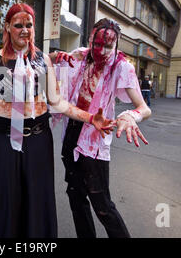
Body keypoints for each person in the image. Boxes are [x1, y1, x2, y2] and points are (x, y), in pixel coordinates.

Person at [0, 3, 114, 238]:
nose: (24, 30)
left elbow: (57, 103)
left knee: (37, 197)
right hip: (4, 141)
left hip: (39, 140)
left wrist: (90, 118)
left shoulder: (43, 60)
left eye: (29, 25)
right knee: (5, 196)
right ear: (7, 27)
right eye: (18, 25)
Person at [49, 18, 151, 238]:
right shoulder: (80, 55)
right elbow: (47, 69)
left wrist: (130, 116)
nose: (103, 50)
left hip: (94, 141)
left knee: (102, 205)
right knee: (75, 196)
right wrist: (55, 57)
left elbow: (143, 108)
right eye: (98, 44)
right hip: (72, 133)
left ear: (116, 45)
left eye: (109, 46)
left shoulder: (121, 66)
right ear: (90, 39)